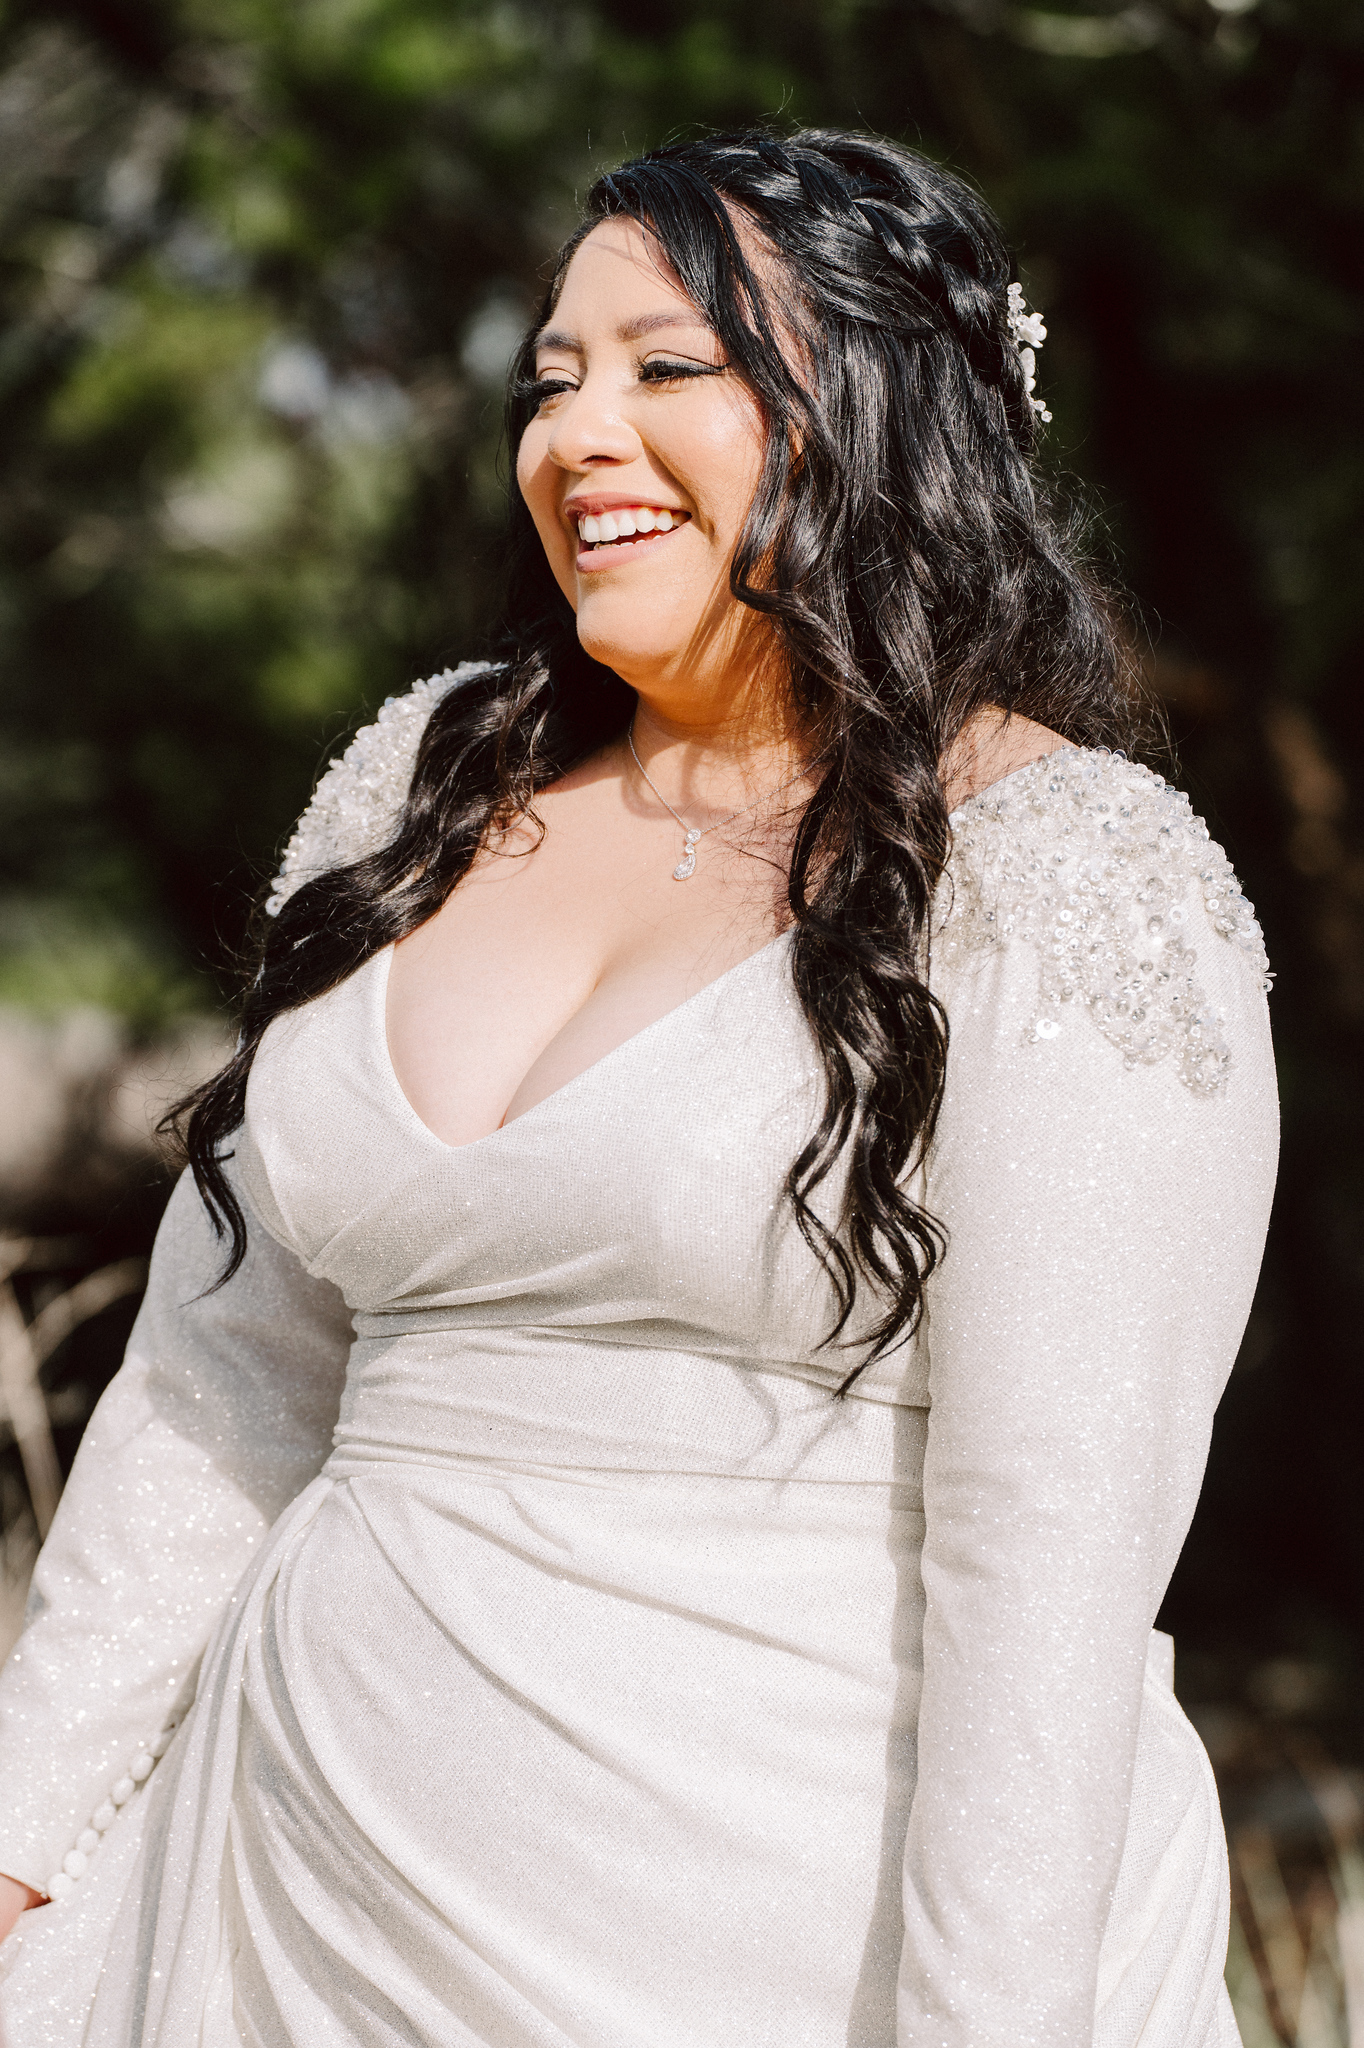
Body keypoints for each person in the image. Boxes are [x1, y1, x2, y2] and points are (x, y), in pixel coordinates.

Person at [0, 128, 1276, 2048]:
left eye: (668, 366)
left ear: (886, 407)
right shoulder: (420, 784)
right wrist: (23, 1838)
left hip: (758, 1942)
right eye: (550, 378)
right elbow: (222, 1378)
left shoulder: (1074, 873)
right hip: (273, 1903)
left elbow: (1053, 1561)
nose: (576, 433)